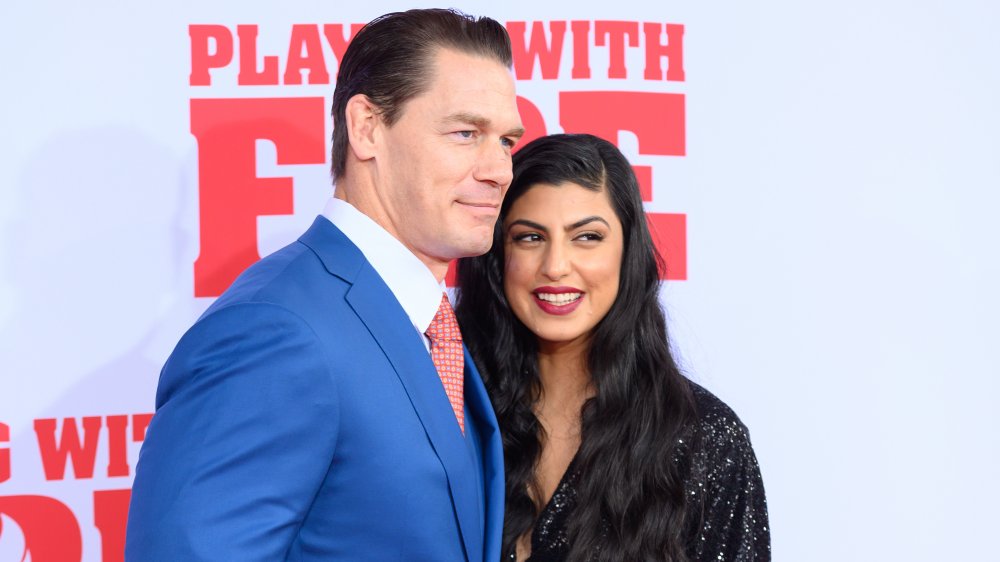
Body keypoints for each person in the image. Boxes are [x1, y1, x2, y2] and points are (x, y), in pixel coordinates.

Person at [126, 9, 524, 561]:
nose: (499, 170)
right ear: (365, 128)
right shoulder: (273, 330)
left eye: (506, 140)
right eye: (465, 133)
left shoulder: (427, 319)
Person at [455, 134, 770, 562]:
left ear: (628, 252)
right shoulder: (453, 414)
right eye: (530, 238)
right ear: (497, 255)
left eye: (587, 237)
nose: (556, 266)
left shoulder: (706, 440)